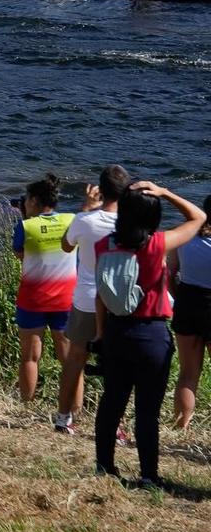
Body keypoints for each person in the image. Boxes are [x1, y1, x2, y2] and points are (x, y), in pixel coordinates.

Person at [93, 183, 205, 486]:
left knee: (111, 403)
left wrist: (101, 335)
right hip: (152, 335)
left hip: (116, 331)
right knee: (147, 410)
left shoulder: (104, 245)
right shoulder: (157, 245)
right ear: (152, 217)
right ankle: (148, 476)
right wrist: (165, 193)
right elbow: (198, 217)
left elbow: (100, 294)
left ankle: (104, 466)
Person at [57, 165, 130, 434]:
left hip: (86, 298)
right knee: (117, 365)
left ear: (100, 190)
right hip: (118, 300)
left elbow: (66, 245)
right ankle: (116, 426)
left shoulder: (84, 220)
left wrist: (86, 208)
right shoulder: (131, 223)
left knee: (75, 359)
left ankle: (63, 418)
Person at [12, 174, 75, 406]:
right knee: (70, 360)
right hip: (66, 299)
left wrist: (26, 218)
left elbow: (20, 254)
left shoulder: (25, 226)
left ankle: (27, 406)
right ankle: (73, 410)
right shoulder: (71, 220)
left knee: (30, 357)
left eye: (27, 199)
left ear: (34, 201)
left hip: (33, 300)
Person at [172, 196, 210, 429]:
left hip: (187, 300)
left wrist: (178, 297)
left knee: (188, 373)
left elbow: (170, 272)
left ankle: (181, 426)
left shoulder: (185, 235)